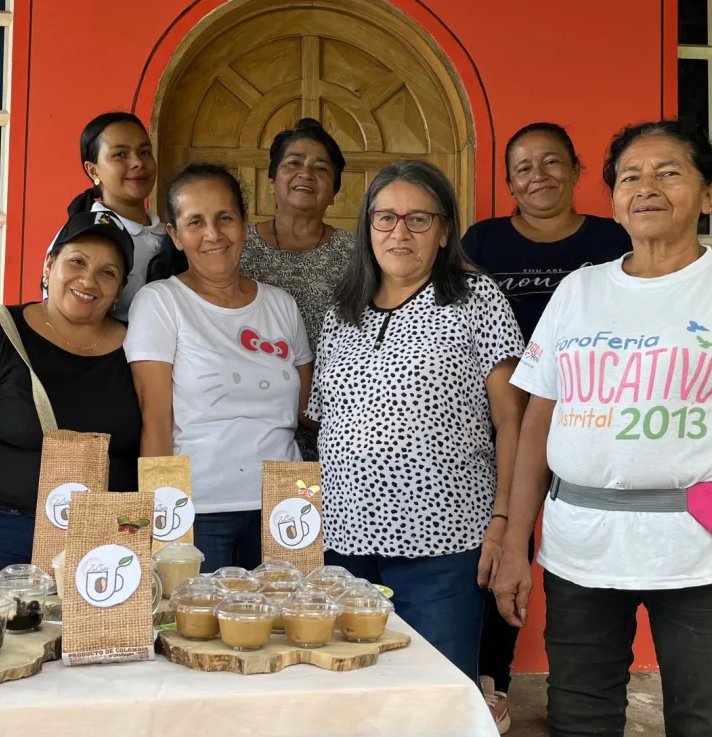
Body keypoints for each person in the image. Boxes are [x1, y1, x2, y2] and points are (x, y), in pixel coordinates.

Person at [491, 120, 712, 737]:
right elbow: (538, 424)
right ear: (613, 198)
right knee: (579, 716)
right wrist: (516, 546)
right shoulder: (578, 290)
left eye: (668, 172)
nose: (646, 188)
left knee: (704, 721)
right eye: (629, 177)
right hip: (579, 550)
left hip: (704, 551)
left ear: (709, 194)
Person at [307, 160, 526, 681]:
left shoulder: (476, 300)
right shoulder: (344, 310)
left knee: (437, 691)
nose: (399, 231)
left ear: (445, 229)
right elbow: (321, 422)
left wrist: (504, 522)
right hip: (344, 543)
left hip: (444, 545)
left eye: (418, 219)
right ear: (367, 228)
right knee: (353, 688)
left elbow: (513, 422)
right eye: (384, 218)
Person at [464, 122, 632, 733]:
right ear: (508, 181)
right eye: (524, 167)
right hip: (501, 423)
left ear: (577, 169)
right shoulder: (482, 242)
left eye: (552, 162)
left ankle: (590, 688)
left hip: (596, 421)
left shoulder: (613, 239)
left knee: (582, 556)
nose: (539, 176)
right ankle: (492, 678)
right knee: (504, 546)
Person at [0, 211, 143, 572]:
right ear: (49, 265)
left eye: (108, 272)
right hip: (3, 532)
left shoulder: (139, 349)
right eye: (77, 261)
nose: (89, 279)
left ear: (119, 289)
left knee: (95, 632)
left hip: (108, 540)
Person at [127, 163, 313, 572]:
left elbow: (306, 410)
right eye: (195, 222)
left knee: (288, 630)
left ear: (244, 224)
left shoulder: (281, 305)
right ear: (175, 235)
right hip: (200, 510)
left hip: (285, 508)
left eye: (225, 218)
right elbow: (155, 421)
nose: (213, 234)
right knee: (201, 632)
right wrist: (158, 525)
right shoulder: (161, 303)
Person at [240, 118, 356, 461]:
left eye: (321, 168)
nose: (306, 173)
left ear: (334, 191)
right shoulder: (234, 245)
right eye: (293, 163)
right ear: (272, 181)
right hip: (250, 420)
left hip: (336, 424)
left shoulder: (362, 254)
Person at [49, 112, 166, 320]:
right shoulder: (77, 239)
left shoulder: (171, 234)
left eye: (145, 152)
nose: (138, 162)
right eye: (120, 154)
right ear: (93, 170)